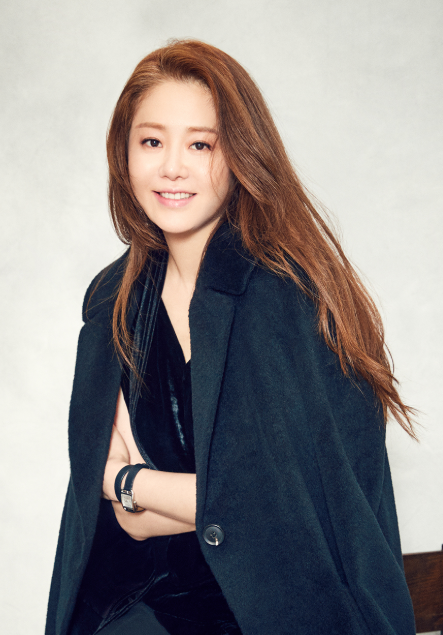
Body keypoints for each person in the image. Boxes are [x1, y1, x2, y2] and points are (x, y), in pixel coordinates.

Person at [45, 39, 417, 635]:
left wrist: (131, 483)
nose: (172, 167)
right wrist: (167, 498)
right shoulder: (116, 299)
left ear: (241, 154)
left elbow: (280, 513)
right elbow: (115, 518)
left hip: (286, 605)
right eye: (152, 141)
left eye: (201, 144)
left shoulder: (283, 296)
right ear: (123, 152)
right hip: (151, 599)